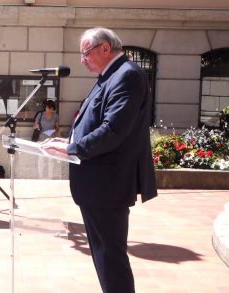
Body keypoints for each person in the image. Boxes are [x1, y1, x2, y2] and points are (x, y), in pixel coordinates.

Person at [40, 27, 157, 293]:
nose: (82, 60)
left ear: (105, 48)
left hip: (109, 185)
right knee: (104, 258)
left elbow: (113, 130)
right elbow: (94, 122)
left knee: (111, 259)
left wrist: (74, 149)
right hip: (98, 184)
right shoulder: (111, 75)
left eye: (86, 53)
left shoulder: (127, 76)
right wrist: (68, 143)